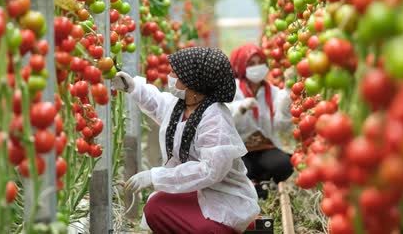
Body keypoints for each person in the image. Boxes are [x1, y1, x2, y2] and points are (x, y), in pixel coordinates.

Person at [112, 47, 260, 233]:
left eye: (175, 72)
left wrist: (154, 176)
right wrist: (132, 86)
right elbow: (157, 102)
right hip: (197, 191)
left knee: (203, 228)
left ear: (191, 81)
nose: (170, 75)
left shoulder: (215, 119)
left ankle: (227, 228)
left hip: (224, 196)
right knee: (154, 208)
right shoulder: (181, 106)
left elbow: (210, 171)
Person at [228, 44, 294, 198]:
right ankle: (252, 185)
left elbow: (281, 125)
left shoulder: (272, 91)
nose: (257, 67)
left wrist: (287, 99)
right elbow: (222, 117)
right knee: (236, 168)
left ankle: (261, 183)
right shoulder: (232, 89)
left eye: (260, 62)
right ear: (241, 66)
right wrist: (241, 108)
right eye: (251, 63)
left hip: (264, 147)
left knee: (284, 164)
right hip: (239, 150)